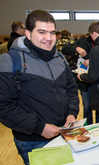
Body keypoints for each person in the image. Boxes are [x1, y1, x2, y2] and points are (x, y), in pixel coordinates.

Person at [0, 10, 79, 165]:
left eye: (52, 32)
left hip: (62, 134)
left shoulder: (60, 58)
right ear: (28, 33)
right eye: (42, 32)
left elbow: (71, 88)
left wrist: (71, 112)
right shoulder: (9, 61)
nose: (49, 38)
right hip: (33, 141)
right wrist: (39, 127)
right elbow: (3, 106)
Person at [62, 35, 94, 124]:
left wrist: (92, 62)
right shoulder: (82, 42)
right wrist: (76, 48)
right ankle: (88, 129)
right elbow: (65, 49)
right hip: (85, 82)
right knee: (87, 108)